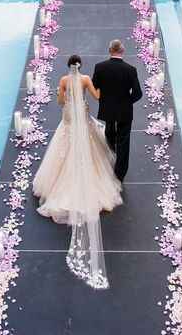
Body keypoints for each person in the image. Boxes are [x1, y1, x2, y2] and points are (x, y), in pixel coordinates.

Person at [33, 55, 122, 290]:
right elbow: (97, 96)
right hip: (81, 114)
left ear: (67, 66)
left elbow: (61, 102)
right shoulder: (84, 79)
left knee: (64, 144)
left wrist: (59, 93)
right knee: (91, 145)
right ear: (80, 65)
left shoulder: (63, 80)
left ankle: (59, 183)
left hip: (70, 117)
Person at [92, 39, 143, 183]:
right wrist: (127, 102)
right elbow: (138, 93)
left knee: (109, 131)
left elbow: (94, 86)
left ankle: (110, 155)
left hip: (107, 108)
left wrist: (105, 98)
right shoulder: (131, 70)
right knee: (124, 140)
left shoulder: (100, 67)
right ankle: (119, 174)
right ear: (123, 51)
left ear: (110, 50)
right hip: (125, 111)